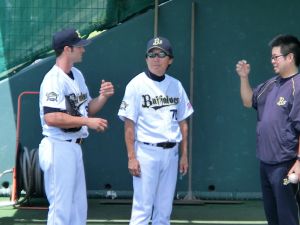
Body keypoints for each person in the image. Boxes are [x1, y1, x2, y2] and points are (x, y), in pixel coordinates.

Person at [38, 28, 114, 225]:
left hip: (74, 146)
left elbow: (87, 108)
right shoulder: (53, 79)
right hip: (58, 146)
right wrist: (87, 122)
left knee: (78, 208)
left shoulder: (77, 74)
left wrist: (103, 97)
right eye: (78, 46)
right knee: (61, 209)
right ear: (66, 49)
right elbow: (52, 117)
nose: (83, 50)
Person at [118, 36, 194, 225]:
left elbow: (183, 122)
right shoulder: (135, 85)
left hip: (171, 153)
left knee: (164, 210)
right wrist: (131, 157)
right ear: (146, 58)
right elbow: (129, 124)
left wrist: (184, 155)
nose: (156, 58)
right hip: (146, 152)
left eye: (161, 54)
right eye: (151, 54)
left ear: (170, 60)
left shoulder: (176, 85)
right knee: (142, 209)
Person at [236, 34, 300, 225]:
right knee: (272, 217)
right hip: (266, 164)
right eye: (271, 57)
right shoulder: (270, 85)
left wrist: (299, 161)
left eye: (275, 57)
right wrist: (244, 78)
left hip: (286, 165)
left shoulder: (298, 87)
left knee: (287, 216)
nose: (272, 61)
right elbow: (248, 101)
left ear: (290, 57)